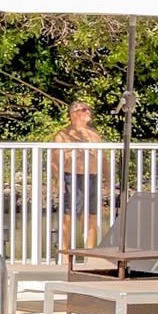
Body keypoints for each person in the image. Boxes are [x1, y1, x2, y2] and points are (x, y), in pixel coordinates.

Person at [42, 97, 109, 254]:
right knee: (69, 215)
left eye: (88, 109)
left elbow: (104, 158)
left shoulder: (94, 135)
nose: (87, 112)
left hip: (93, 177)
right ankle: (65, 253)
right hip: (73, 177)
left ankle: (89, 252)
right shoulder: (63, 135)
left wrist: (108, 178)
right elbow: (54, 158)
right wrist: (59, 179)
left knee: (91, 215)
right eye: (83, 109)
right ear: (73, 114)